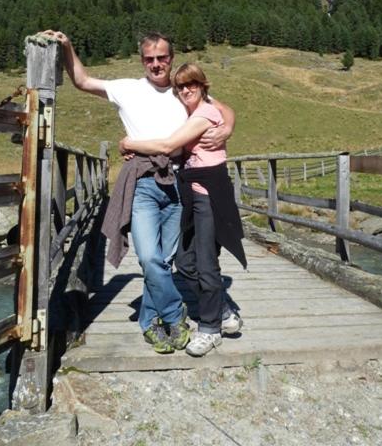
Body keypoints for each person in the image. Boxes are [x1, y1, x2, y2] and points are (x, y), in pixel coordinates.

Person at [41, 30, 235, 354]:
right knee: (148, 257)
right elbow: (82, 81)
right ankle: (175, 315)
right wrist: (66, 46)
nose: (156, 64)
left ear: (170, 59)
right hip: (144, 182)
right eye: (150, 59)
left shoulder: (183, 91)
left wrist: (227, 128)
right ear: (142, 60)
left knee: (164, 260)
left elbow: (223, 110)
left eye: (162, 57)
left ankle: (150, 323)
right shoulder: (127, 89)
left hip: (177, 182)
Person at [120, 63, 247, 357]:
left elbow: (167, 145)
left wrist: (128, 142)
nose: (186, 90)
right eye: (181, 86)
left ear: (203, 86)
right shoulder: (193, 109)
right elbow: (228, 110)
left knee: (205, 262)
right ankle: (223, 309)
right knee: (185, 261)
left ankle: (210, 329)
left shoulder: (203, 113)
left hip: (210, 194)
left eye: (192, 84)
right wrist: (228, 125)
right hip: (192, 193)